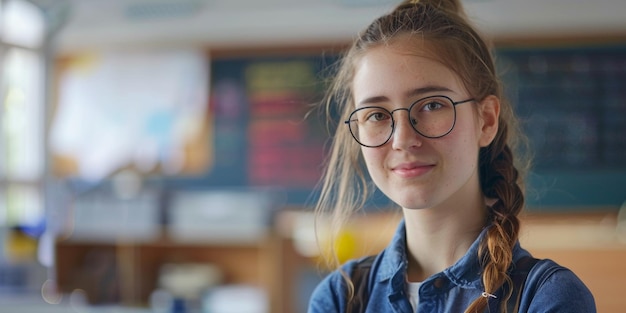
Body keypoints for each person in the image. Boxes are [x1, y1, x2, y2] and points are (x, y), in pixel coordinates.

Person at [307, 0, 596, 312]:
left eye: (432, 105)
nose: (403, 139)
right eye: (377, 115)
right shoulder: (339, 298)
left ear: (486, 120)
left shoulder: (547, 296)